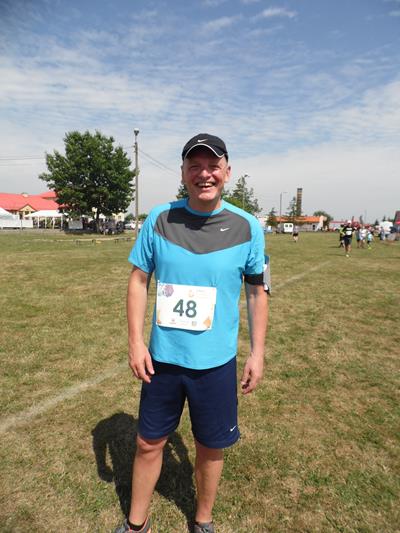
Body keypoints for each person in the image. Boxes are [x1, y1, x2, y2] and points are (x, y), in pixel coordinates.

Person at [115, 134, 269, 533]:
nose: (205, 174)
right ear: (183, 173)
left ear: (227, 172)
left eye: (213, 166)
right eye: (194, 166)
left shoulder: (248, 227)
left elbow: (257, 291)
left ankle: (202, 520)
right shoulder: (159, 219)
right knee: (148, 442)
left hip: (216, 364)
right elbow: (138, 280)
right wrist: (135, 342)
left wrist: (257, 353)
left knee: (210, 446)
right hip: (163, 361)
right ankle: (136, 524)